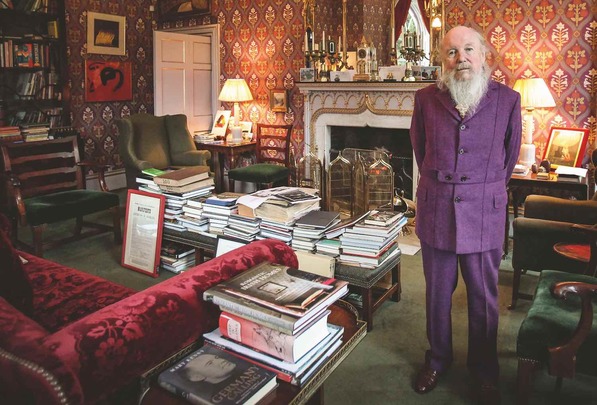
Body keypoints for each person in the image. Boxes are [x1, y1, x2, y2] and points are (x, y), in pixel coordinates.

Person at [409, 26, 522, 404]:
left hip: (484, 211)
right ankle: (438, 359)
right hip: (436, 208)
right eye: (452, 52)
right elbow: (420, 149)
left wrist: (482, 187)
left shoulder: (508, 100)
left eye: (468, 49)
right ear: (443, 60)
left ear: (484, 53)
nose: (461, 59)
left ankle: (484, 370)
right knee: (438, 294)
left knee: (483, 298)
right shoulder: (425, 99)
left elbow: (508, 159)